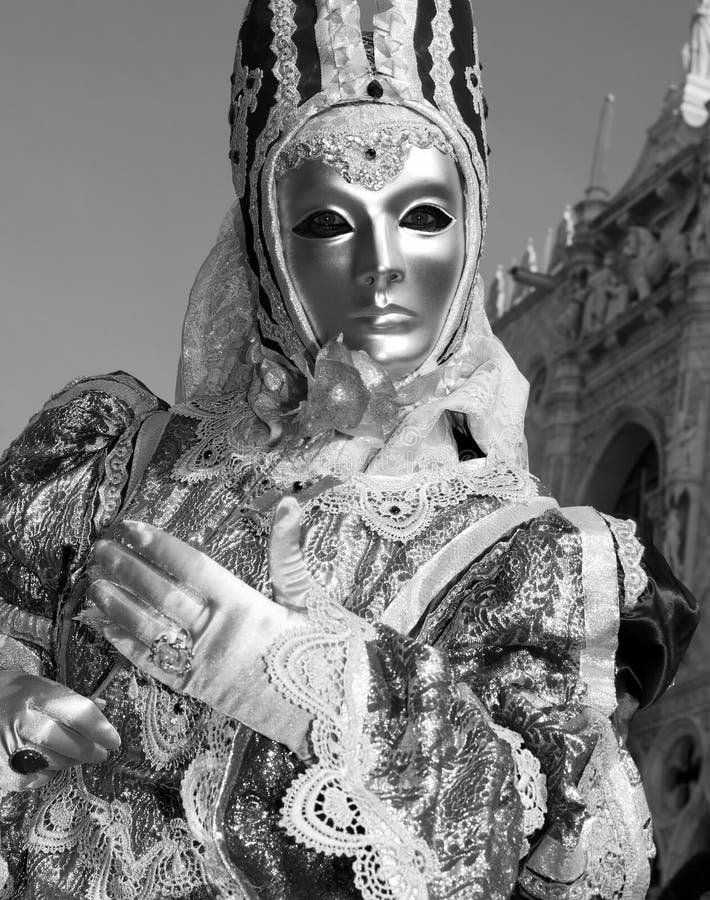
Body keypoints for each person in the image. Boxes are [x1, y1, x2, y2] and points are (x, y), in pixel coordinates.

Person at [0, 0, 698, 897]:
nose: (383, 264)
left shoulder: (527, 565)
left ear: (473, 222)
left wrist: (317, 689)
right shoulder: (112, 461)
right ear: (264, 241)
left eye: (424, 217)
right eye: (329, 223)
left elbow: (573, 861)